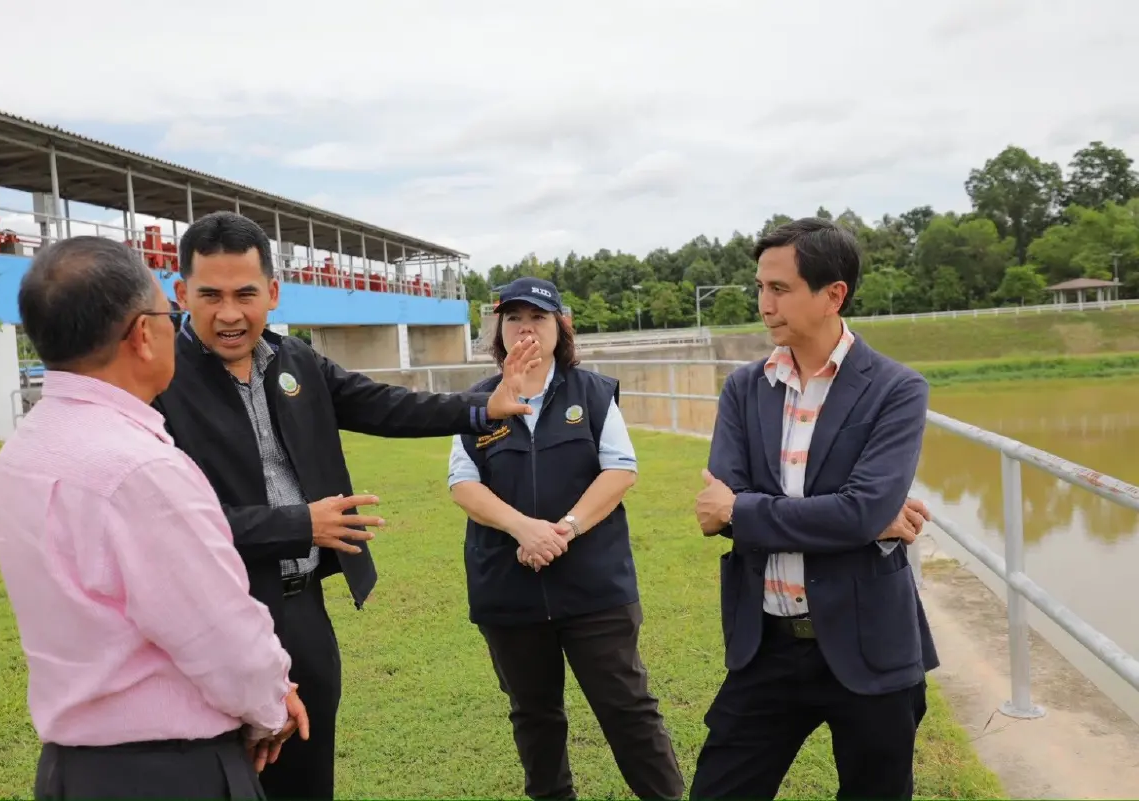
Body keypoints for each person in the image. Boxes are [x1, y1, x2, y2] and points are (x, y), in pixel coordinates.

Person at [151, 211, 540, 801]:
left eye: (246, 295)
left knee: (307, 780)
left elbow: (383, 406)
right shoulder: (157, 382)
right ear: (181, 294)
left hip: (300, 609)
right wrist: (299, 524)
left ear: (274, 293)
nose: (229, 314)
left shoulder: (295, 361)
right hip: (214, 616)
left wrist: (481, 408)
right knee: (224, 780)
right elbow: (166, 526)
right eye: (210, 295)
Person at [0, 236, 308, 800]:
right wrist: (270, 703)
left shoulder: (24, 450)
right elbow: (220, 635)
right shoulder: (139, 469)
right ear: (141, 334)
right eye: (170, 313)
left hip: (72, 771)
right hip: (170, 772)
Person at [692, 217, 937, 800]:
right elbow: (715, 508)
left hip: (868, 641)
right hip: (767, 643)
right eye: (760, 287)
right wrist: (859, 518)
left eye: (779, 289)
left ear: (834, 295)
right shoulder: (744, 388)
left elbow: (848, 510)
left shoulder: (896, 389)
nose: (764, 303)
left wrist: (747, 510)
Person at [448, 277, 684, 801]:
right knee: (534, 715)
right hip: (508, 587)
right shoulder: (478, 403)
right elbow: (462, 484)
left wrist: (566, 528)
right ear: (500, 330)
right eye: (513, 319)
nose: (525, 328)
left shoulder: (593, 393)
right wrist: (522, 528)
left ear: (561, 327)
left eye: (538, 318)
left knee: (627, 707)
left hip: (594, 586)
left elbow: (620, 470)